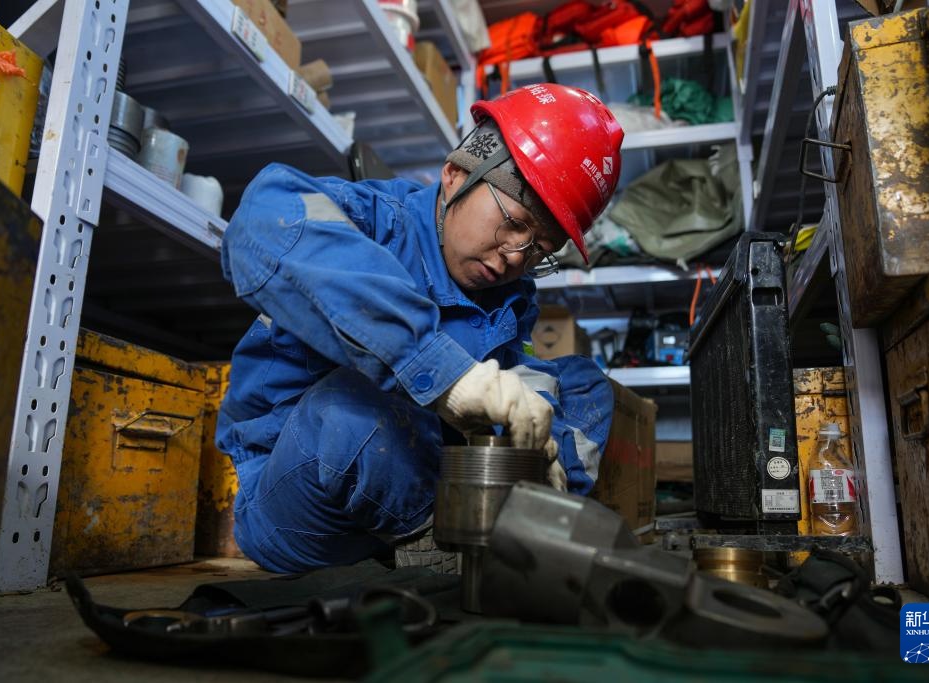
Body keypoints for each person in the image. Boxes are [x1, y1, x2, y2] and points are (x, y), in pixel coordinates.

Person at [216, 83, 624, 573]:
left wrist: (541, 446)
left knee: (584, 383)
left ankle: (536, 522)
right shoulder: (372, 222)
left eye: (540, 249)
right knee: (354, 408)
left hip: (423, 479)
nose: (516, 256)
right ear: (456, 175)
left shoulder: (508, 295)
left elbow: (517, 385)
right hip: (300, 495)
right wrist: (446, 375)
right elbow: (266, 217)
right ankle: (452, 553)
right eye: (515, 223)